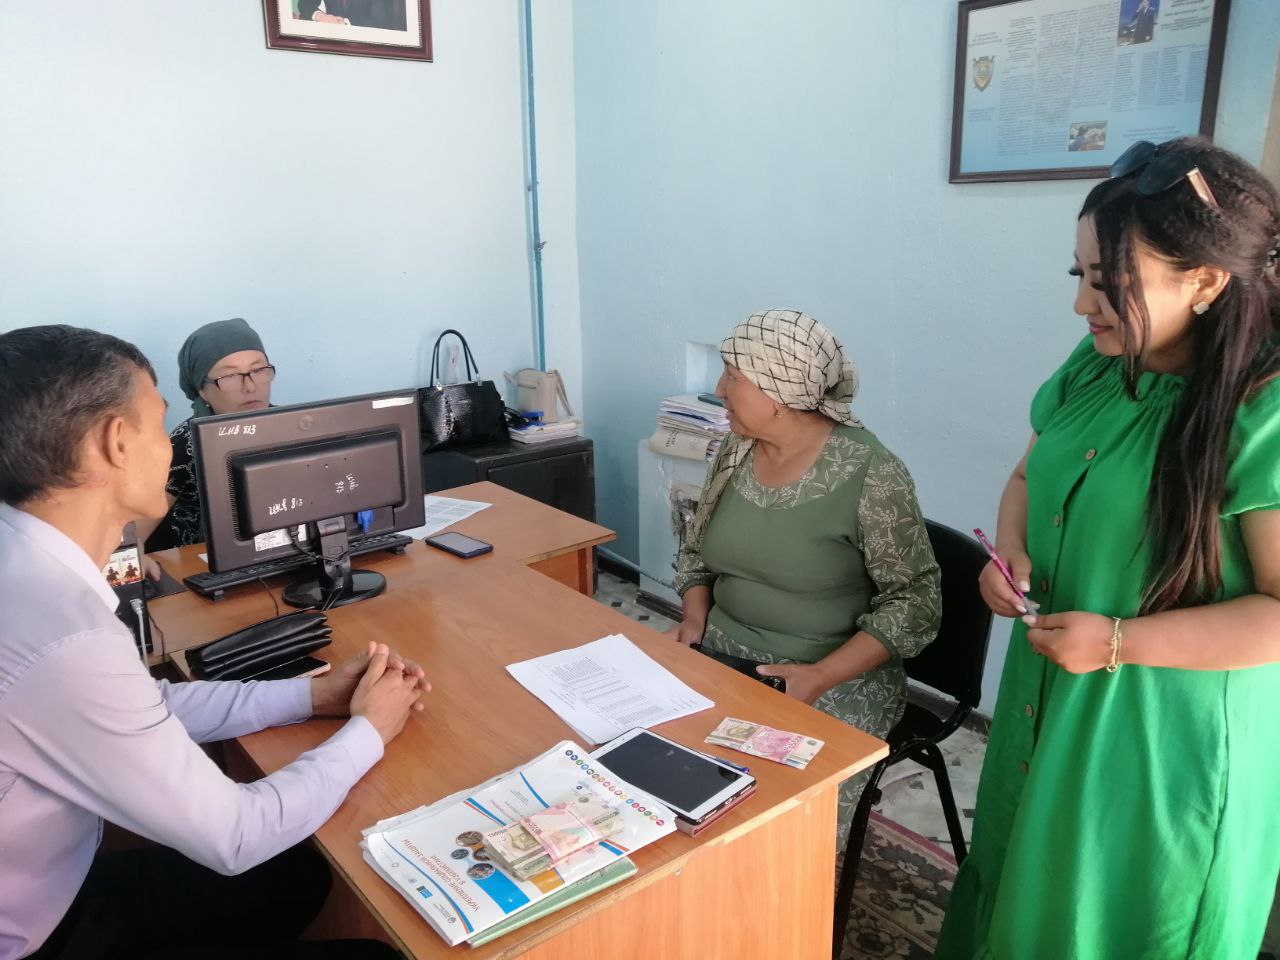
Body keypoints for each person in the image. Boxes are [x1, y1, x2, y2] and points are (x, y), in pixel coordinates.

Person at [934, 138, 1280, 959]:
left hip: (1160, 739)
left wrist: (1120, 642)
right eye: (1079, 274)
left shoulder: (1261, 412)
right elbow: (1027, 477)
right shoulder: (1098, 366)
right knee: (1024, 894)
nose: (1082, 304)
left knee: (1112, 922)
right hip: (1053, 695)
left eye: (1110, 282)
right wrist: (1009, 552)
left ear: (1205, 280)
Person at [0, 324, 430, 959]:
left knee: (299, 875)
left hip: (57, 882)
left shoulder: (26, 567)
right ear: (116, 442)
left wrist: (310, 697)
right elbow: (237, 836)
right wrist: (370, 729)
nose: (171, 445)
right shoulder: (65, 635)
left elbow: (144, 706)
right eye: (158, 424)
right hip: (44, 936)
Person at [668, 309, 941, 846]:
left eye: (732, 376)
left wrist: (819, 676)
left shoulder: (873, 473)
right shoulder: (735, 449)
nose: (719, 390)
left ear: (779, 391)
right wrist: (693, 621)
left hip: (826, 678)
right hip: (718, 653)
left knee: (769, 827)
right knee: (660, 780)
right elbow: (696, 549)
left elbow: (916, 603)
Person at [141, 317, 276, 554]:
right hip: (196, 564)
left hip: (278, 555)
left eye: (258, 370)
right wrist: (140, 557)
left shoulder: (291, 427)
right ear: (202, 390)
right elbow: (133, 534)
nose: (250, 386)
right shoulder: (185, 444)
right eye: (230, 376)